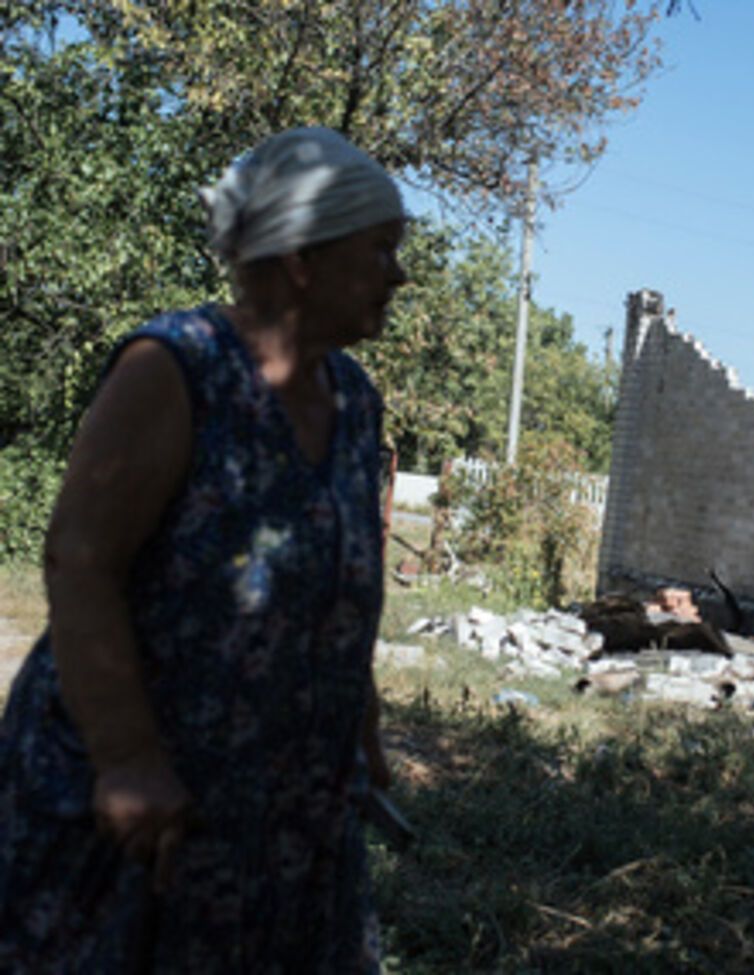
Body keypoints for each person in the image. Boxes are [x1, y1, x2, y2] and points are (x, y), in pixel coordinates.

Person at [0, 127, 407, 971]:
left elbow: (333, 577)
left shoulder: (356, 401)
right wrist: (126, 758)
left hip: (291, 819)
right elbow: (80, 560)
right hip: (145, 816)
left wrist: (358, 714)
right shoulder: (177, 367)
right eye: (380, 249)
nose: (397, 274)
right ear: (302, 257)